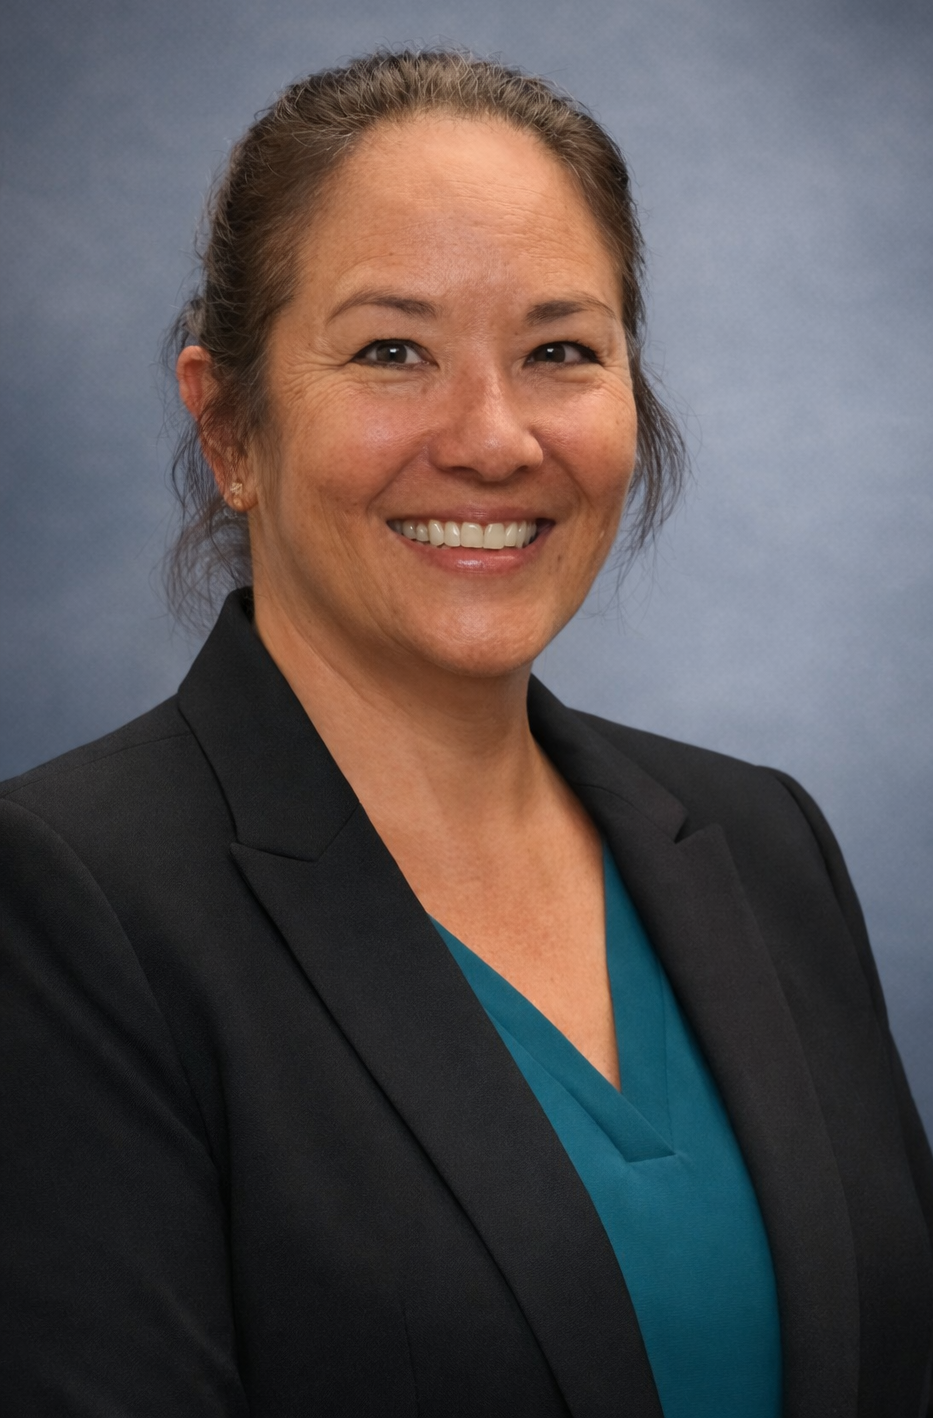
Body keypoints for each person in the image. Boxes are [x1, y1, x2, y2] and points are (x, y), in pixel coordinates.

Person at [1, 49, 931, 1418]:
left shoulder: (764, 839)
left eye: (560, 350)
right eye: (393, 351)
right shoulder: (65, 902)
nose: (493, 440)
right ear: (229, 426)